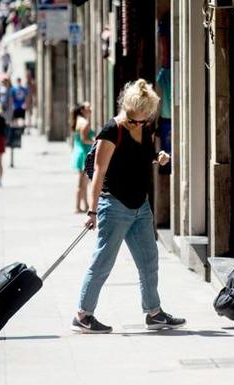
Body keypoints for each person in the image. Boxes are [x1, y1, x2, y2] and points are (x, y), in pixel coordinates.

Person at [73, 79, 184, 334]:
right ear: (127, 108)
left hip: (140, 206)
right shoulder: (112, 131)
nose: (140, 124)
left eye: (144, 120)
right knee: (103, 262)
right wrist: (92, 212)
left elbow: (143, 157)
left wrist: (159, 157)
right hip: (114, 206)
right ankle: (83, 315)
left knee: (149, 260)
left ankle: (154, 313)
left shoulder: (145, 128)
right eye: (134, 120)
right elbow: (98, 175)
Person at [69, 102, 94, 213]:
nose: (91, 109)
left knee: (83, 182)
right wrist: (95, 141)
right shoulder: (84, 123)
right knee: (82, 183)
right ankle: (77, 207)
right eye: (88, 108)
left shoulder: (78, 121)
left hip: (79, 153)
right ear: (83, 110)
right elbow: (84, 139)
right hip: (84, 153)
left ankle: (85, 205)